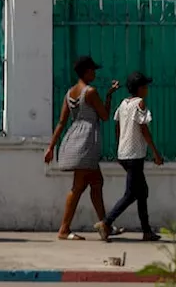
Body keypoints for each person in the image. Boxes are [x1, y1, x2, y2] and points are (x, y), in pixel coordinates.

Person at [45, 55, 119, 241]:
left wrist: (51, 147)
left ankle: (105, 224)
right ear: (86, 72)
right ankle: (64, 229)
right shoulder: (91, 92)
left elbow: (61, 122)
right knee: (78, 187)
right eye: (92, 70)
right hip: (87, 142)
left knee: (96, 183)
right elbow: (104, 116)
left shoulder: (69, 93)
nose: (94, 72)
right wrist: (109, 96)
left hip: (74, 139)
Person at [97, 71, 163, 242]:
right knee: (132, 194)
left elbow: (117, 126)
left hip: (124, 153)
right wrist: (156, 152)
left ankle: (147, 231)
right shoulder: (139, 103)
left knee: (142, 192)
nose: (147, 89)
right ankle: (106, 222)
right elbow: (144, 130)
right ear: (139, 89)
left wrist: (120, 147)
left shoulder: (123, 104)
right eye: (145, 86)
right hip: (135, 154)